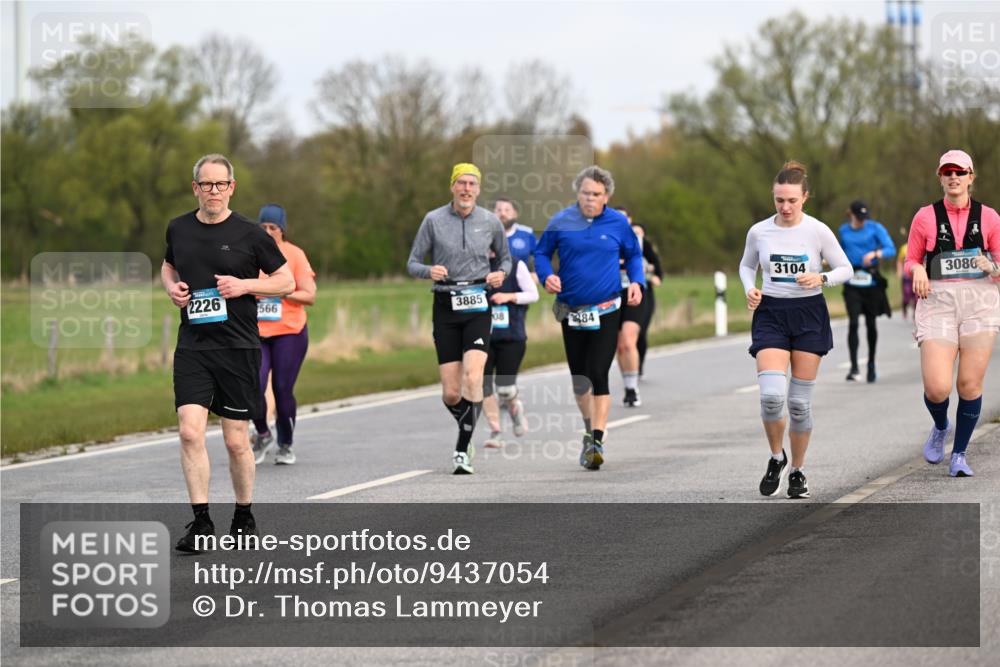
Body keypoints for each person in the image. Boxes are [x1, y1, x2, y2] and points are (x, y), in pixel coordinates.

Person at [161, 154, 294, 552]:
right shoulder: (178, 228)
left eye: (221, 184)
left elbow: (285, 281)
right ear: (195, 188)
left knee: (236, 441)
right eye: (206, 184)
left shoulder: (251, 234)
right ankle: (201, 523)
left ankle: (243, 515)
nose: (213, 191)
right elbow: (168, 266)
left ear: (232, 188)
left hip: (238, 347)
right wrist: (171, 288)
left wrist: (245, 285)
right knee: (189, 432)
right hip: (193, 346)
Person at [739, 160, 852, 499]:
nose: (785, 207)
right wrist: (750, 288)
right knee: (772, 398)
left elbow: (845, 268)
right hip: (771, 312)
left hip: (808, 314)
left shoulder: (817, 230)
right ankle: (777, 457)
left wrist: (822, 278)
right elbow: (746, 265)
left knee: (799, 404)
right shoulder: (759, 232)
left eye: (791, 200)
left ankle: (798, 471)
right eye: (779, 200)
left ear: (805, 197)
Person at [535, 166, 644, 470]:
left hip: (606, 308)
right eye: (585, 193)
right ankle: (588, 429)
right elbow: (541, 253)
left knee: (598, 371)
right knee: (580, 379)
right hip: (571, 310)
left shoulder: (617, 222)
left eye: (596, 194)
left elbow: (634, 255)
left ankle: (596, 439)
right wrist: (546, 276)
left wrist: (637, 281)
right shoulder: (561, 220)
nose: (590, 199)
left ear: (606, 196)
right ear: (578, 193)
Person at [407, 163, 510, 474]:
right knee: (451, 393)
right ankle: (469, 424)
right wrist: (429, 271)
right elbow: (413, 263)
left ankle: (462, 449)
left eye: (472, 184)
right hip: (446, 305)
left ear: (478, 189)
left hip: (478, 303)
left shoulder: (490, 221)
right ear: (452, 186)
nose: (466, 189)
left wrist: (500, 274)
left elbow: (505, 259)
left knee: (473, 378)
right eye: (461, 183)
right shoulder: (433, 220)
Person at [906, 149, 1000, 478]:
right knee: (937, 388)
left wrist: (992, 265)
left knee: (969, 385)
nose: (954, 177)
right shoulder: (925, 217)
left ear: (971, 177)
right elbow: (911, 259)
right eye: (948, 172)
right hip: (938, 301)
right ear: (940, 178)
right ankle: (941, 425)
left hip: (979, 301)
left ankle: (959, 454)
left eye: (960, 172)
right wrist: (917, 269)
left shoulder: (989, 217)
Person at [250, 204, 317, 466]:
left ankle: (286, 444)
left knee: (281, 388)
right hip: (256, 332)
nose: (267, 232)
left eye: (273, 227)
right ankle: (263, 434)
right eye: (263, 227)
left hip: (290, 331)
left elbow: (309, 295)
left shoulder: (294, 255)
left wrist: (280, 291)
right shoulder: (249, 252)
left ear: (282, 230)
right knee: (253, 385)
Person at [482, 252, 539, 448]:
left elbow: (533, 295)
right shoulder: (474, 264)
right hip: (482, 337)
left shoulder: (515, 265)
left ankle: (514, 407)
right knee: (483, 385)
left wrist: (509, 296)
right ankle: (496, 431)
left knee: (505, 389)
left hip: (511, 337)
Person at [838, 200, 896, 382]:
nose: (862, 220)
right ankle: (854, 367)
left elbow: (891, 249)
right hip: (852, 281)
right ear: (851, 215)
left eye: (865, 217)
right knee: (853, 322)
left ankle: (871, 365)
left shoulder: (875, 228)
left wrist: (875, 254)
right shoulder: (843, 231)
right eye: (859, 217)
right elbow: (839, 252)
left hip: (871, 282)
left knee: (871, 323)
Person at [615, 210, 664, 406]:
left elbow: (650, 263)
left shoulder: (637, 239)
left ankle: (633, 387)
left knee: (629, 340)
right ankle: (627, 385)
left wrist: (653, 274)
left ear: (629, 220)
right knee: (619, 345)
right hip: (612, 295)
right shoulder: (605, 238)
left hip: (635, 294)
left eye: (624, 217)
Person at [494, 198, 537, 271]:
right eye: (499, 210)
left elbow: (540, 256)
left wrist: (536, 274)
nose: (503, 214)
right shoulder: (485, 234)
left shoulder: (527, 233)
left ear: (515, 214)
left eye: (507, 210)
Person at [897, 227, 916, 320]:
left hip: (916, 276)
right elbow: (900, 261)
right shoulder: (904, 248)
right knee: (907, 294)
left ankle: (915, 314)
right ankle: (904, 309)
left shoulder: (920, 246)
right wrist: (899, 271)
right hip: (906, 276)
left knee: (916, 296)